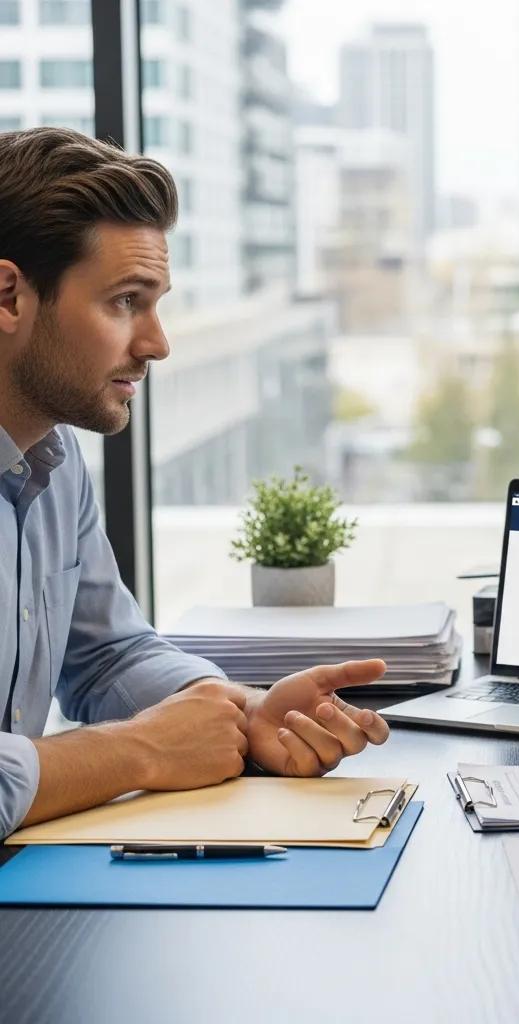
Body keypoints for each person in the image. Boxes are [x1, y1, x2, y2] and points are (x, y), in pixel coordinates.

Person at [0, 127, 391, 839]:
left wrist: (239, 711)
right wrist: (139, 751)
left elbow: (108, 654)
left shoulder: (50, 467)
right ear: (8, 296)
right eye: (125, 301)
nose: (157, 342)